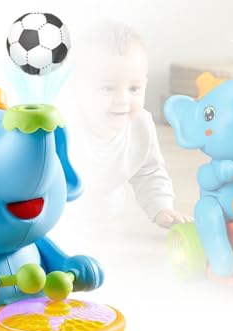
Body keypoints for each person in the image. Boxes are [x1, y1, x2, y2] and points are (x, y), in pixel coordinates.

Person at [58, 21, 191, 231]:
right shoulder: (64, 125)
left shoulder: (141, 125)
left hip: (109, 210)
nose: (123, 100)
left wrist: (162, 208)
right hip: (63, 211)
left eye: (134, 89)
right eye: (108, 88)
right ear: (77, 88)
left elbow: (150, 172)